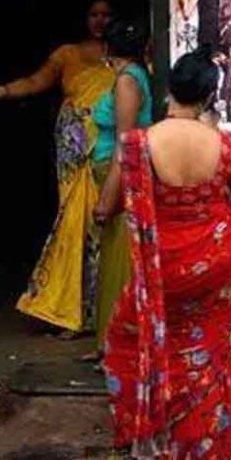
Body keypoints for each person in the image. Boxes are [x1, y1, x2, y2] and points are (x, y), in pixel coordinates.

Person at [77, 47, 231, 460]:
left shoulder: (136, 145)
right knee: (206, 365)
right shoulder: (227, 145)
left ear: (168, 89)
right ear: (210, 95)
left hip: (160, 272)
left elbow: (106, 208)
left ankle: (145, 457)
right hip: (216, 268)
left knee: (126, 348)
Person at [0, 0, 115, 337]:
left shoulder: (127, 55)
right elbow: (35, 82)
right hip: (74, 148)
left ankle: (102, 315)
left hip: (109, 149)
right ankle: (71, 313)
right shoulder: (67, 54)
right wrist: (3, 91)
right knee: (75, 226)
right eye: (93, 14)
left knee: (108, 229)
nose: (100, 21)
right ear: (84, 18)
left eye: (106, 14)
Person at [89, 18, 154, 357]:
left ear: (107, 50)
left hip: (121, 182)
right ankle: (110, 344)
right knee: (115, 266)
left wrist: (107, 198)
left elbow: (123, 144)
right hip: (117, 179)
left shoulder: (128, 81)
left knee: (118, 268)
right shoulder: (131, 76)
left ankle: (116, 348)